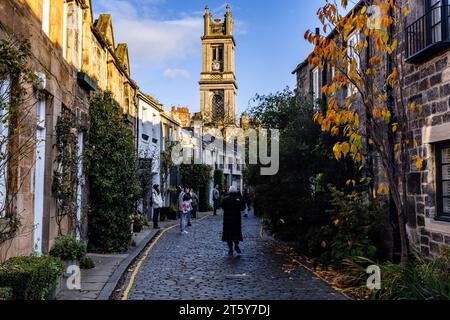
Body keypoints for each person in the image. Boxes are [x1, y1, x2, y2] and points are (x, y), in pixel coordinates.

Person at [222, 186, 246, 256]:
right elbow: (243, 208)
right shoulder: (239, 199)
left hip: (227, 220)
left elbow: (223, 207)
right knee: (236, 233)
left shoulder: (225, 199)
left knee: (228, 235)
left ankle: (230, 249)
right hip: (236, 220)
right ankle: (236, 244)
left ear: (229, 191)